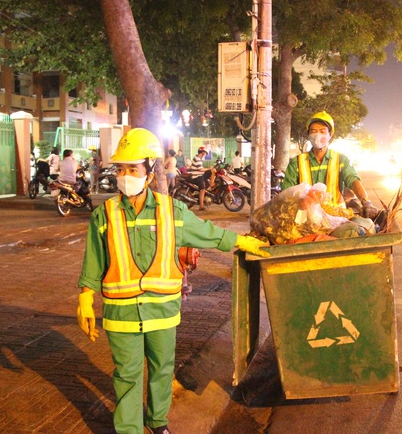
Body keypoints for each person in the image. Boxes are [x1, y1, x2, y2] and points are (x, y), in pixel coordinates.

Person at [76, 128, 269, 434]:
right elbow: (94, 261)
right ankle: (129, 429)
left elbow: (209, 233)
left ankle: (157, 422)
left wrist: (242, 242)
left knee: (161, 370)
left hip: (162, 310)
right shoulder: (104, 215)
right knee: (127, 374)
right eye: (121, 169)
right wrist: (85, 297)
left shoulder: (172, 211)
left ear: (149, 173)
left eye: (133, 169)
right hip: (121, 313)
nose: (126, 176)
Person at [282, 111, 378, 218]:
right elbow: (286, 193)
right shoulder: (296, 163)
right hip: (306, 219)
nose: (317, 135)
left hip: (337, 218)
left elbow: (352, 179)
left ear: (330, 134)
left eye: (322, 131)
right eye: (313, 131)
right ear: (309, 134)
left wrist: (366, 202)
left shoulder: (341, 160)